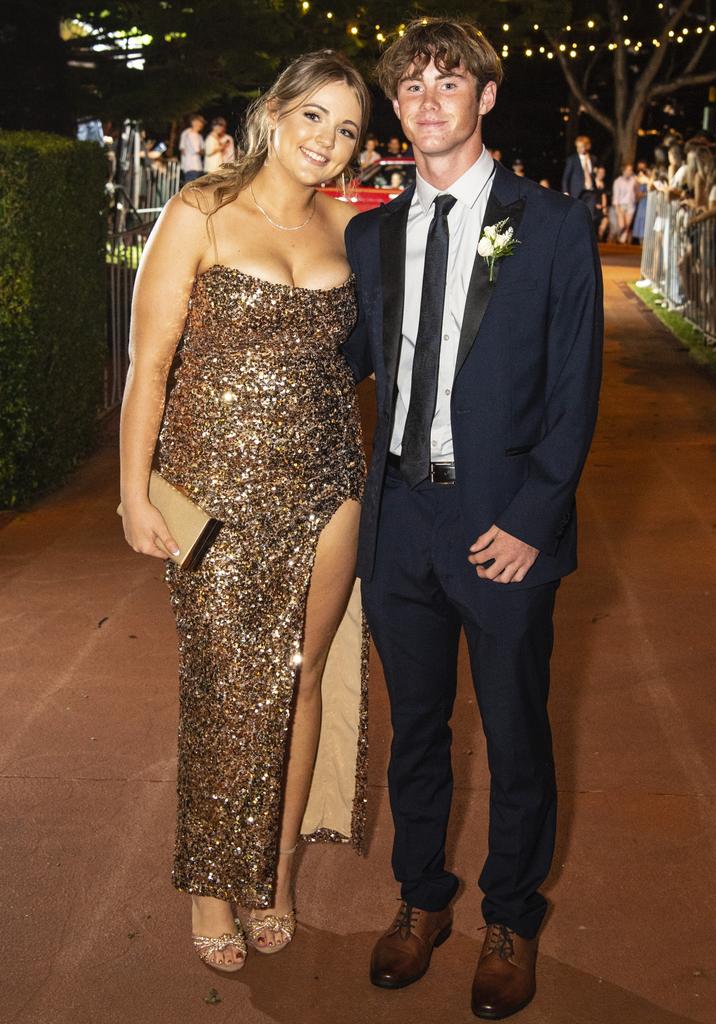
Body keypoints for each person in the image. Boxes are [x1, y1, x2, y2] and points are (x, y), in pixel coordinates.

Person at [343, 18, 602, 1019]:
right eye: (410, 88)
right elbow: (347, 360)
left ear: (486, 96)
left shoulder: (550, 226)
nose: (428, 101)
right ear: (396, 109)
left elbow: (577, 385)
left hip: (503, 524)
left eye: (449, 83)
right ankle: (421, 900)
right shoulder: (372, 231)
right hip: (399, 518)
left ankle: (509, 913)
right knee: (416, 728)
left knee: (515, 728)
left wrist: (537, 514)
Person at [119, 51, 370, 973]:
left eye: (345, 128)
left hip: (329, 486)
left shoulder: (352, 230)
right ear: (274, 112)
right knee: (226, 688)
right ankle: (212, 889)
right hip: (213, 494)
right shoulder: (199, 213)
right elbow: (150, 367)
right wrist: (130, 490)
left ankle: (276, 875)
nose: (325, 140)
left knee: (302, 680)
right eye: (313, 116)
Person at [562, 134, 598, 215]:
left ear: (587, 146)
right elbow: (566, 177)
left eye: (581, 146)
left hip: (590, 192)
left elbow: (593, 174)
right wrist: (565, 191)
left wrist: (597, 179)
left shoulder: (593, 159)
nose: (579, 149)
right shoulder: (572, 159)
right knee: (576, 214)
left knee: (589, 215)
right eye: (577, 147)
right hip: (577, 192)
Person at [612, 163, 637, 243]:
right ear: (623, 171)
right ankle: (616, 237)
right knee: (622, 225)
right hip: (621, 205)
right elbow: (616, 196)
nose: (630, 172)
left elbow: (637, 191)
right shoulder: (618, 181)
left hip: (630, 205)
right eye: (628, 170)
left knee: (627, 226)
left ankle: (621, 244)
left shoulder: (633, 180)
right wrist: (617, 207)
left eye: (631, 170)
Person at [179, 114, 205, 183]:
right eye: (199, 122)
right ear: (193, 122)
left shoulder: (199, 136)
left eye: (201, 122)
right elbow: (198, 151)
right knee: (191, 190)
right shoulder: (189, 134)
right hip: (191, 167)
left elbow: (202, 150)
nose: (201, 124)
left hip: (197, 166)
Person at [593, 164, 609, 241]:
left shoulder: (603, 184)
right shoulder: (592, 182)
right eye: (600, 172)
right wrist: (594, 204)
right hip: (592, 208)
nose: (602, 174)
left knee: (605, 221)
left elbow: (603, 196)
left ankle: (599, 240)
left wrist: (604, 207)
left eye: (603, 173)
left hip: (600, 208)